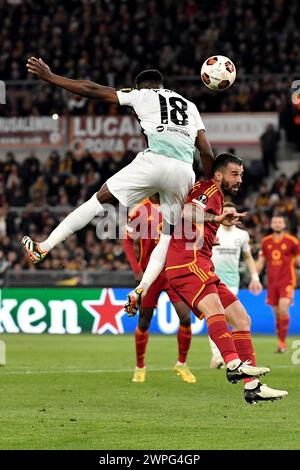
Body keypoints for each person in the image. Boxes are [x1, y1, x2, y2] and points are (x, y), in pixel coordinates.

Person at [23, 58, 214, 292]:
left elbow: (92, 90)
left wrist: (51, 77)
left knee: (100, 199)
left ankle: (44, 247)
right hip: (185, 171)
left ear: (144, 87)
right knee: (167, 234)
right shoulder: (190, 106)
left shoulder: (143, 95)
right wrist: (213, 187)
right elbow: (205, 150)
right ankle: (142, 288)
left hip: (155, 160)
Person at [127, 153, 287, 404]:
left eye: (242, 175)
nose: (239, 180)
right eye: (235, 174)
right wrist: (216, 219)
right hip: (187, 263)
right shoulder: (208, 188)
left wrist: (214, 230)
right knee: (215, 310)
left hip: (201, 264)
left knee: (242, 319)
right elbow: (190, 212)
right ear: (219, 174)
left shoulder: (216, 196)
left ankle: (253, 386)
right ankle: (233, 364)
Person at [122, 195, 195, 383]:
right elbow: (126, 240)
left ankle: (181, 364)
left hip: (173, 271)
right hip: (150, 274)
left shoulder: (177, 206)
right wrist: (136, 269)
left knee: (186, 317)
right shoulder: (139, 209)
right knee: (144, 320)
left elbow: (189, 234)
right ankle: (139, 367)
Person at [208, 201, 263, 369]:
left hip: (231, 282)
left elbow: (247, 257)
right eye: (227, 213)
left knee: (228, 318)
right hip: (210, 279)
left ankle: (226, 356)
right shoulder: (212, 230)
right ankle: (218, 357)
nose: (230, 216)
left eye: (233, 213)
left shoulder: (242, 235)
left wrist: (255, 277)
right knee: (215, 316)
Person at [256, 215, 300, 352]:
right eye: (275, 221)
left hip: (287, 280)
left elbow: (298, 261)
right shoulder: (265, 242)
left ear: (284, 224)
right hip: (272, 282)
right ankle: (280, 342)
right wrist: (254, 277)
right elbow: (261, 263)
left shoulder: (292, 241)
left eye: (280, 222)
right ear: (271, 225)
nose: (277, 224)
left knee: (283, 309)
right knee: (276, 313)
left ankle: (282, 343)